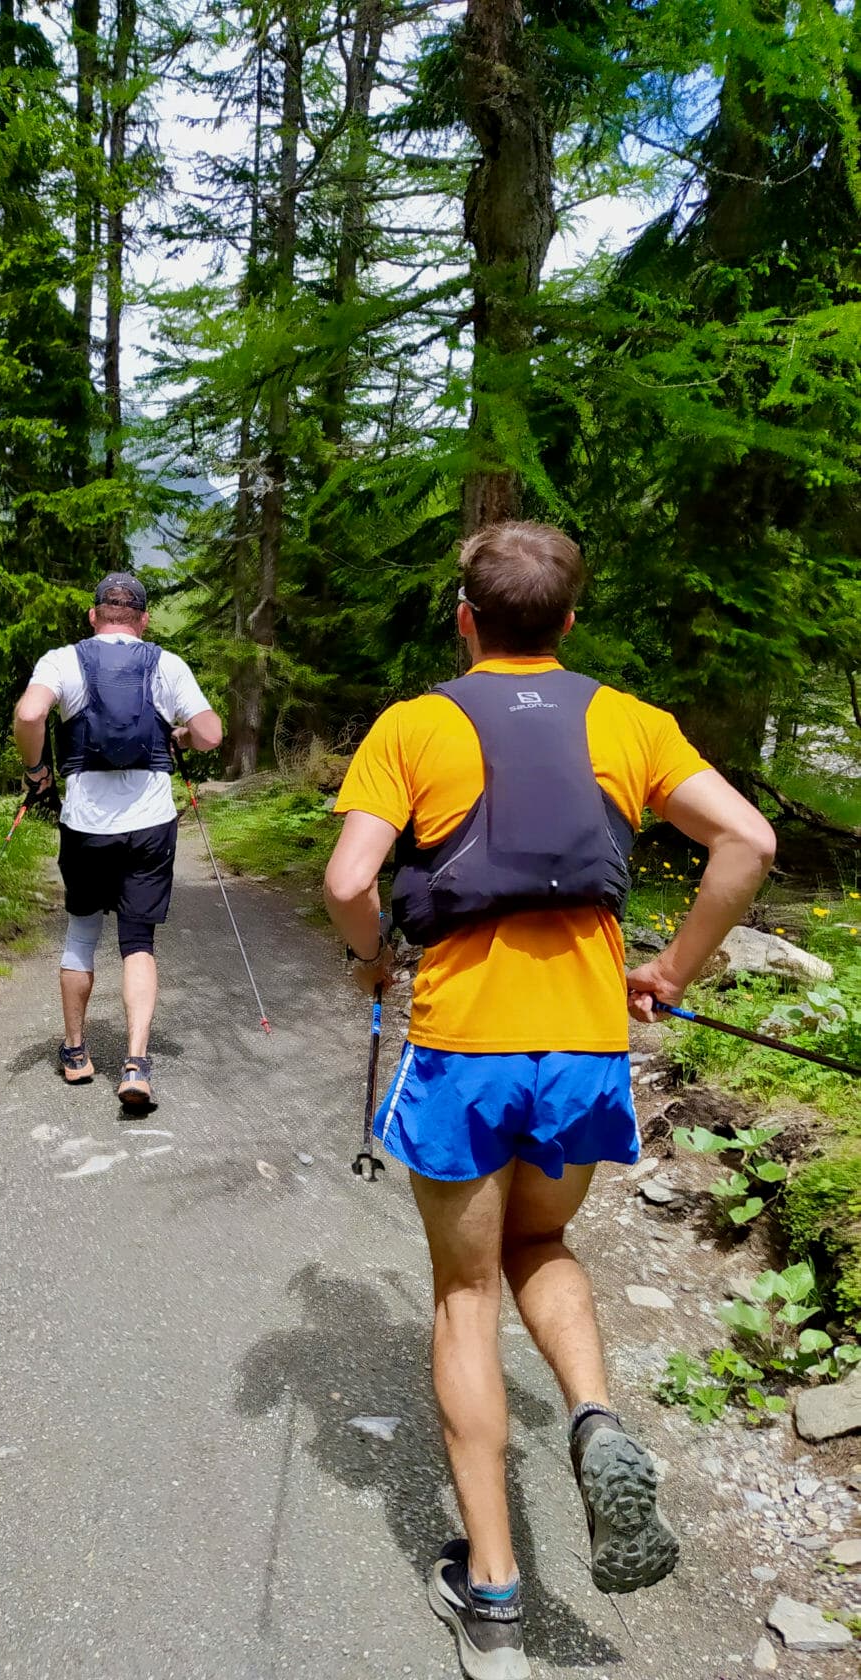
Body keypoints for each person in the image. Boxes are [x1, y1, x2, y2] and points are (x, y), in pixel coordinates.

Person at [323, 521, 775, 1680]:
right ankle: (591, 1418)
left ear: (465, 619)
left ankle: (493, 1598)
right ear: (569, 621)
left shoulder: (416, 724)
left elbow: (347, 881)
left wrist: (378, 962)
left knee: (465, 1295)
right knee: (546, 1239)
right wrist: (670, 975)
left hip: (465, 1045)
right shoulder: (628, 721)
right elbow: (749, 839)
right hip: (581, 1043)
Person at [14, 572, 223, 1110]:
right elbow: (211, 734)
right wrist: (178, 735)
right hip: (150, 823)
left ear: (94, 616)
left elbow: (30, 714)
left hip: (85, 823)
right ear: (143, 619)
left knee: (82, 934)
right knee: (138, 942)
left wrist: (37, 772)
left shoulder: (63, 660)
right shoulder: (166, 664)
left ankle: (77, 1054)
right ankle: (135, 1063)